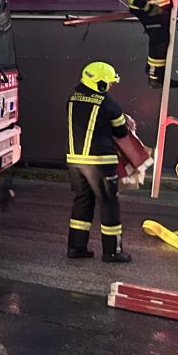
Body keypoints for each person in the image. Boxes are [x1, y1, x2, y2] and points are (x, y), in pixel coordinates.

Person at [66, 62, 132, 263]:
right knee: (109, 203)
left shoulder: (72, 99)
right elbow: (121, 132)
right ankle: (112, 251)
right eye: (109, 83)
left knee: (82, 202)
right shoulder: (107, 104)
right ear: (100, 83)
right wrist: (126, 121)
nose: (110, 87)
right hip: (100, 163)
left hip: (75, 162)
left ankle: (76, 248)